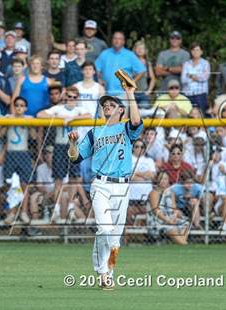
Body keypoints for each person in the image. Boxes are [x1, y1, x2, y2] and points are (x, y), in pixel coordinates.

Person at [67, 84, 143, 290]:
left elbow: (136, 121)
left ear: (121, 110)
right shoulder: (94, 132)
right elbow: (75, 158)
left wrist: (130, 93)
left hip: (122, 187)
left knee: (115, 238)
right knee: (105, 229)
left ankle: (109, 271)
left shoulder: (126, 128)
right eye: (104, 105)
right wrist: (73, 144)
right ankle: (102, 272)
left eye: (112, 104)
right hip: (101, 184)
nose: (107, 106)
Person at [37, 86, 91, 223]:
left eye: (74, 97)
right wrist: (60, 117)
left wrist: (72, 119)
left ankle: (71, 207)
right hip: (60, 145)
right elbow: (40, 115)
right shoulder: (58, 109)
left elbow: (89, 115)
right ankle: (56, 208)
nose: (71, 100)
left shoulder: (79, 110)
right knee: (58, 178)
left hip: (73, 145)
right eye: (68, 97)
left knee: (75, 177)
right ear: (64, 97)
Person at [0, 97, 36, 225]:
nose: (19, 108)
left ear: (25, 108)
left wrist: (28, 124)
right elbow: (0, 134)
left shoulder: (29, 118)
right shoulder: (9, 117)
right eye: (17, 105)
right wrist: (8, 122)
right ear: (13, 107)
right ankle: (11, 213)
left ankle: (24, 212)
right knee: (12, 185)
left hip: (23, 153)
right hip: (11, 153)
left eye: (22, 105)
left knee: (24, 185)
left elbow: (33, 136)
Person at [95, 31, 146, 96]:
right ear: (112, 40)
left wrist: (131, 83)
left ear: (123, 41)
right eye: (115, 38)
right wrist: (99, 79)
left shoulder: (129, 55)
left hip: (123, 94)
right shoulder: (104, 53)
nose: (117, 41)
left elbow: (141, 70)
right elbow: (96, 69)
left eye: (119, 39)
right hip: (106, 92)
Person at [147, 171, 189, 244]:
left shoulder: (171, 192)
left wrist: (175, 216)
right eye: (161, 179)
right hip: (157, 221)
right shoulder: (154, 193)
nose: (164, 181)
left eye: (165, 179)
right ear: (157, 180)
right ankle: (184, 245)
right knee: (172, 229)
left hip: (170, 218)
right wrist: (168, 221)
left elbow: (174, 208)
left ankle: (182, 245)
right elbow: (155, 210)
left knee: (185, 224)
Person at [181, 42, 210, 112]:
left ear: (201, 52)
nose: (195, 52)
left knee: (201, 115)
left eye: (197, 50)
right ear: (191, 52)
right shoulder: (186, 64)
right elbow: (183, 80)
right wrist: (196, 77)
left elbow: (204, 77)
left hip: (201, 94)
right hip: (188, 94)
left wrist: (190, 75)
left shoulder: (205, 63)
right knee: (188, 114)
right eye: (193, 50)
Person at [133, 41, 156, 109]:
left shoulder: (147, 63)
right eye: (138, 48)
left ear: (145, 51)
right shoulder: (130, 62)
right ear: (134, 49)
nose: (140, 50)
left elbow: (153, 79)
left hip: (143, 93)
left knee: (144, 113)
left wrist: (149, 91)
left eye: (142, 48)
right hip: (131, 93)